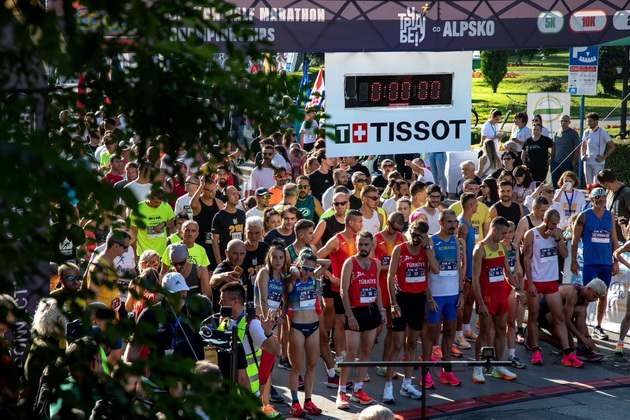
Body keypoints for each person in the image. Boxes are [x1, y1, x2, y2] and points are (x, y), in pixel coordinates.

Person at [523, 208, 585, 367]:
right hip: (535, 280)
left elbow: (565, 255)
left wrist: (558, 239)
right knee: (533, 315)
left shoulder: (557, 233)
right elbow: (527, 259)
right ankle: (536, 350)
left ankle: (567, 353)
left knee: (559, 317)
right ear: (545, 220)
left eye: (556, 224)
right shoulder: (531, 234)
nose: (554, 226)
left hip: (551, 281)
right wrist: (529, 282)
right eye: (552, 223)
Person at [384, 220, 437, 401]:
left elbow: (435, 270)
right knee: (397, 345)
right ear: (409, 232)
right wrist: (393, 303)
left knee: (413, 343)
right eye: (414, 233)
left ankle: (407, 384)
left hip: (418, 300)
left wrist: (428, 248)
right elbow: (390, 276)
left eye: (420, 235)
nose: (416, 237)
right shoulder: (400, 249)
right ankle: (388, 386)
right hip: (402, 299)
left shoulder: (426, 249)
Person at [471, 217, 524, 383]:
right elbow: (475, 277)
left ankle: (498, 366)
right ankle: (478, 367)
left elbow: (507, 273)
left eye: (507, 233)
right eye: (502, 232)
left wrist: (517, 289)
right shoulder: (480, 249)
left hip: (500, 293)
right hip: (487, 295)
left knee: (502, 329)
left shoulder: (501, 247)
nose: (505, 236)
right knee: (485, 331)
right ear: (494, 230)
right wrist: (479, 302)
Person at [336, 231, 385, 409]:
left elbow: (377, 287)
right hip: (355, 312)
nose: (363, 248)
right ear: (356, 244)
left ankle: (358, 389)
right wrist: (350, 316)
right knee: (351, 352)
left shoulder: (376, 263)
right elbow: (343, 291)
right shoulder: (350, 263)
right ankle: (341, 391)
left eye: (366, 245)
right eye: (360, 244)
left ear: (372, 245)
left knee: (366, 351)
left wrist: (381, 309)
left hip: (371, 311)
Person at [216, 282, 281, 404]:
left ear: (235, 301)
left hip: (247, 393)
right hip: (229, 391)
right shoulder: (225, 321)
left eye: (223, 300)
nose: (220, 303)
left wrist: (268, 333)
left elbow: (275, 350)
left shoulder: (252, 325)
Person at [285, 249, 330, 416]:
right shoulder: (293, 280)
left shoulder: (312, 278)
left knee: (312, 366)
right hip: (297, 327)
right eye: (306, 268)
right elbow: (289, 276)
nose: (308, 272)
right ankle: (295, 402)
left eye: (311, 269)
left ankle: (308, 400)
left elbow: (327, 263)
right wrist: (297, 268)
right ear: (299, 266)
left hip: (313, 327)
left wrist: (311, 261)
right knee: (297, 367)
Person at [571, 187, 619, 340]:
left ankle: (598, 326)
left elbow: (614, 240)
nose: (601, 200)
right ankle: (581, 325)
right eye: (597, 197)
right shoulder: (584, 216)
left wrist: (615, 261)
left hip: (605, 262)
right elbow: (574, 240)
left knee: (603, 295)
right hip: (590, 262)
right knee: (586, 295)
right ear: (591, 200)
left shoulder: (610, 216)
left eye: (603, 197)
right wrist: (573, 261)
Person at [318, 210, 364, 372]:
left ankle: (347, 353)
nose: (362, 224)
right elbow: (317, 258)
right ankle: (339, 356)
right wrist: (330, 276)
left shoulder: (360, 239)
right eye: (359, 221)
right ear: (351, 223)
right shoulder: (336, 240)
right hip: (339, 289)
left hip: (356, 288)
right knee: (340, 322)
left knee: (352, 322)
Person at [425, 209, 463, 386]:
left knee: (449, 332)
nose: (453, 225)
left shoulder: (457, 240)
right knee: (430, 334)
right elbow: (427, 270)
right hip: (436, 295)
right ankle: (425, 371)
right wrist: (430, 297)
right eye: (449, 222)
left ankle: (447, 370)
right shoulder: (432, 241)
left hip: (452, 294)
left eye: (455, 222)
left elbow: (459, 269)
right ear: (440, 223)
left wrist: (461, 292)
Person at [125, 272, 194, 360]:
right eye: (176, 292)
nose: (181, 296)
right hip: (159, 369)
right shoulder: (150, 315)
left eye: (183, 291)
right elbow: (135, 347)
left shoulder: (193, 313)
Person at [535, 279, 607, 361]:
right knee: (580, 311)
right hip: (544, 315)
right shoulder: (573, 292)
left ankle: (540, 335)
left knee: (570, 347)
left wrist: (587, 338)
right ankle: (535, 333)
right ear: (588, 289)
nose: (594, 300)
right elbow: (566, 320)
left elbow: (582, 321)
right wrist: (583, 339)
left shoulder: (587, 297)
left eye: (597, 298)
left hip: (557, 317)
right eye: (594, 296)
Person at [373, 212, 406, 377]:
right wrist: (393, 267)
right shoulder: (376, 238)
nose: (396, 232)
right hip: (379, 287)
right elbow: (372, 265)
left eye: (399, 229)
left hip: (394, 287)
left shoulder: (402, 238)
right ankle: (363, 360)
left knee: (392, 328)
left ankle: (384, 364)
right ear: (388, 223)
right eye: (394, 228)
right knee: (375, 329)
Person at [453, 194, 479, 350]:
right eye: (476, 204)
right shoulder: (462, 226)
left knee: (470, 301)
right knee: (461, 305)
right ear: (471, 205)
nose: (477, 207)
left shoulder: (469, 223)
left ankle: (466, 329)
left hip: (472, 271)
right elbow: (460, 253)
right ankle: (458, 335)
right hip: (465, 272)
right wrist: (463, 274)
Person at [84, 229, 131, 313]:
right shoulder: (98, 267)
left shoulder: (110, 261)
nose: (127, 251)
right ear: (116, 246)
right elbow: (91, 302)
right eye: (125, 247)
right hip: (102, 319)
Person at [191, 176, 224, 269]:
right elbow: (192, 204)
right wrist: (201, 185)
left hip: (215, 244)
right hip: (201, 243)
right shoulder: (198, 203)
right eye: (210, 190)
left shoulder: (219, 203)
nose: (213, 193)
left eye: (215, 190)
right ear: (203, 190)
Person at [130, 188, 175, 256]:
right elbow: (134, 232)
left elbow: (175, 223)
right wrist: (134, 253)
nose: (158, 205)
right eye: (156, 202)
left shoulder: (166, 206)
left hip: (162, 253)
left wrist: (164, 224)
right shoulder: (138, 208)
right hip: (143, 253)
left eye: (160, 202)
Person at [211, 185, 246, 265]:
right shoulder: (219, 216)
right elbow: (215, 241)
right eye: (233, 194)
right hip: (226, 258)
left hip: (240, 258)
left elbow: (244, 235)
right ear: (225, 197)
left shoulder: (242, 214)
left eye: (237, 194)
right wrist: (219, 262)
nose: (236, 196)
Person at [581, 112, 615, 183]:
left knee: (596, 183)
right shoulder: (586, 132)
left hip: (598, 163)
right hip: (587, 162)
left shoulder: (603, 133)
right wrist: (582, 155)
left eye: (590, 121)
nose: (588, 123)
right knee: (589, 184)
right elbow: (584, 145)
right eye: (587, 121)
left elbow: (612, 147)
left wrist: (602, 158)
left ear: (596, 121)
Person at [597, 168, 630, 241]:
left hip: (624, 237)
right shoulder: (608, 191)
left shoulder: (626, 193)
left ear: (606, 183)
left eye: (602, 184)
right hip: (611, 234)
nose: (603, 187)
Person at [551, 115, 580, 188]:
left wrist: (573, 162)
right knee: (556, 185)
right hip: (556, 163)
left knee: (568, 186)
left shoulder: (574, 133)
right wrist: (552, 160)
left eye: (565, 121)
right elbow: (554, 147)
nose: (563, 123)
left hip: (567, 164)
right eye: (561, 121)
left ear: (569, 122)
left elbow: (577, 148)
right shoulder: (556, 132)